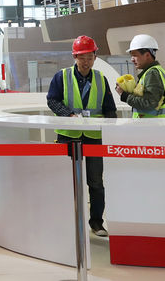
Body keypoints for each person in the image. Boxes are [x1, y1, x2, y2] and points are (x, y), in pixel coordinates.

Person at [47, 35, 116, 238]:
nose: (86, 62)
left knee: (95, 182)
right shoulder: (61, 76)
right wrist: (68, 115)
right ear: (74, 57)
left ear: (95, 57)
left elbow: (110, 109)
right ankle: (67, 222)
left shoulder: (101, 79)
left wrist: (109, 129)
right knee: (67, 182)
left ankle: (96, 223)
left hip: (94, 137)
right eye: (81, 58)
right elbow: (52, 100)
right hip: (68, 136)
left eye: (89, 57)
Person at [115, 34, 165, 118]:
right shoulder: (154, 72)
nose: (132, 59)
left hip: (155, 126)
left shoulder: (152, 74)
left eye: (135, 55)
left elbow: (149, 102)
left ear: (147, 55)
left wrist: (125, 96)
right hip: (158, 126)